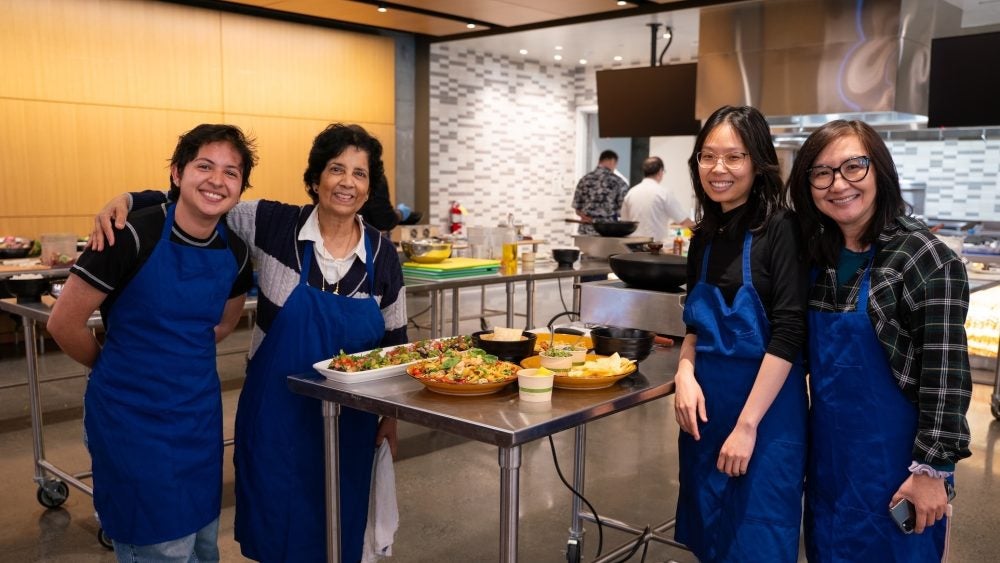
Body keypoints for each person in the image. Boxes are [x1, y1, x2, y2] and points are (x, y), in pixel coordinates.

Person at [92, 123, 407, 562]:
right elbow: (202, 198)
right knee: (278, 527)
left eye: (359, 174)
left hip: (349, 424)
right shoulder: (272, 223)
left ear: (369, 186)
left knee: (339, 525)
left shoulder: (381, 255)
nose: (347, 183)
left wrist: (390, 418)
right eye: (337, 169)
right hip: (275, 419)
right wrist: (130, 199)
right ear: (316, 179)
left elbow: (396, 342)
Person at [47, 124, 258, 561]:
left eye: (231, 172)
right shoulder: (128, 235)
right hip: (133, 421)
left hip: (198, 419)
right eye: (204, 166)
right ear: (177, 173)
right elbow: (63, 324)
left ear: (241, 188)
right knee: (156, 546)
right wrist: (115, 366)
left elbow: (220, 325)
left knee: (201, 544)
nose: (217, 180)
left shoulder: (235, 252)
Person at [788, 119, 971, 561]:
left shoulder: (923, 256)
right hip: (831, 463)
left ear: (880, 172)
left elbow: (945, 376)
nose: (839, 184)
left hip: (899, 467)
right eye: (822, 172)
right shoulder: (820, 257)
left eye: (854, 166)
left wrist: (933, 469)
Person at [672, 105, 808, 561]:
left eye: (734, 157)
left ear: (757, 162)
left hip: (765, 417)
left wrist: (747, 427)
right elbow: (694, 325)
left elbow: (790, 332)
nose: (718, 169)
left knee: (757, 539)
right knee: (710, 535)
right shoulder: (705, 235)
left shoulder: (782, 230)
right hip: (706, 415)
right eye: (708, 157)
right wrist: (685, 375)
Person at [620, 156, 693, 242]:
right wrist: (701, 230)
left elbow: (624, 222)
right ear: (660, 171)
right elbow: (683, 220)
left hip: (633, 246)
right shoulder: (663, 193)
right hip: (655, 247)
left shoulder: (631, 193)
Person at [572, 149, 629, 235]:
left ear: (600, 161)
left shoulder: (584, 180)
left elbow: (577, 208)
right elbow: (624, 210)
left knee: (585, 249)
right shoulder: (618, 182)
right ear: (612, 161)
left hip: (586, 230)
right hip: (607, 230)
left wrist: (588, 217)